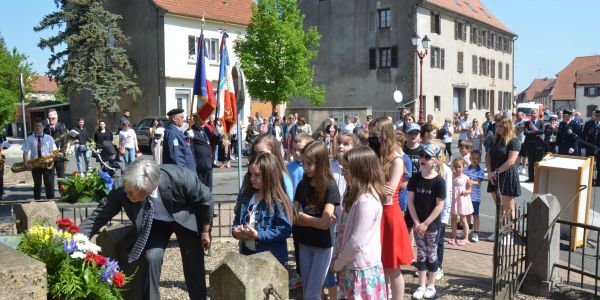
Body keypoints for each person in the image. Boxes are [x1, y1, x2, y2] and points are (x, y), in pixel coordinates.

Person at [79, 159, 213, 300]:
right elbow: (99, 216)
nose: (127, 194)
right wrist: (76, 238)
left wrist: (205, 230)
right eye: (126, 190)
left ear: (147, 189)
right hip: (157, 222)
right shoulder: (123, 187)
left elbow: (206, 199)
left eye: (131, 192)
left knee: (193, 261)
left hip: (184, 218)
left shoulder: (181, 178)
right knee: (151, 258)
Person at [332, 146, 387, 299]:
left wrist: (339, 262)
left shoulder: (366, 203)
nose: (343, 174)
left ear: (360, 171)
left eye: (346, 170)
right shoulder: (356, 196)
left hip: (359, 269)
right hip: (351, 265)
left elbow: (357, 242)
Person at [369, 117, 413, 299]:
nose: (371, 138)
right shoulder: (375, 155)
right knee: (378, 263)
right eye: (370, 134)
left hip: (389, 214)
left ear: (384, 135)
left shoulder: (397, 159)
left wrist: (371, 186)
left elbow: (389, 191)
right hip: (375, 212)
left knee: (392, 266)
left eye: (374, 135)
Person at [293, 141, 340, 300]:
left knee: (312, 293)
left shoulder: (330, 187)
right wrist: (315, 221)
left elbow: (325, 223)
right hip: (304, 243)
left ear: (321, 163)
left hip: (322, 246)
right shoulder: (302, 185)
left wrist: (302, 217)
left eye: (309, 164)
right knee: (308, 290)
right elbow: (293, 216)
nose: (305, 168)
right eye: (303, 163)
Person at [232, 152, 293, 264]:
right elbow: (237, 220)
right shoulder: (247, 196)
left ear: (269, 175)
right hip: (247, 254)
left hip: (271, 259)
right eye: (250, 174)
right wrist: (236, 231)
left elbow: (284, 229)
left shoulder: (278, 201)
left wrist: (258, 235)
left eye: (257, 175)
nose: (252, 178)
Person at [407, 143, 446, 299]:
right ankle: (421, 285)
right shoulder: (415, 178)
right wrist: (417, 222)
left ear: (435, 161)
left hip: (432, 225)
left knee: (432, 254)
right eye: (422, 155)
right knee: (421, 253)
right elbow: (410, 202)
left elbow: (439, 205)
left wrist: (425, 223)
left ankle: (431, 285)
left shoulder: (439, 181)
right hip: (418, 224)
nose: (423, 158)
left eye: (427, 157)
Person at [326, 132, 359, 298]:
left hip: (349, 217)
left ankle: (348, 287)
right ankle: (337, 287)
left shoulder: (356, 169)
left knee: (348, 251)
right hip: (333, 217)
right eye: (339, 143)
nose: (341, 147)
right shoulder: (330, 167)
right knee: (334, 252)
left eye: (346, 144)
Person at [485, 116, 521, 243]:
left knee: (509, 208)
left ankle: (510, 234)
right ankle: (500, 231)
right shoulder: (495, 140)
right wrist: (490, 172)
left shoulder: (514, 141)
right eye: (497, 126)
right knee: (499, 207)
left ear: (507, 126)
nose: (498, 128)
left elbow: (511, 161)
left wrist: (495, 172)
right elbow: (488, 157)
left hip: (507, 176)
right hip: (494, 176)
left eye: (501, 126)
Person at [250, 134, 294, 200]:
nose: (258, 156)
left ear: (274, 153)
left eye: (263, 153)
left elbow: (287, 206)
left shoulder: (283, 178)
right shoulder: (250, 176)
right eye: (255, 153)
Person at [23, 118, 57, 200]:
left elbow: (54, 152)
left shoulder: (49, 138)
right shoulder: (29, 138)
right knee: (37, 185)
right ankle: (37, 202)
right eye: (36, 126)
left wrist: (49, 158)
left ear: (43, 127)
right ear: (34, 127)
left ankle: (51, 201)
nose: (38, 128)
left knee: (49, 184)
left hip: (47, 164)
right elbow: (25, 152)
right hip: (35, 164)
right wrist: (26, 163)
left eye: (40, 126)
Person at [448, 159, 473, 246]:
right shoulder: (451, 176)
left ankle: (466, 238)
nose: (458, 169)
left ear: (463, 167)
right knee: (453, 218)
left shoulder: (466, 178)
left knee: (463, 219)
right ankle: (453, 237)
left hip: (462, 200)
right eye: (456, 167)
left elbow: (470, 190)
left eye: (460, 167)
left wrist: (466, 192)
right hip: (453, 200)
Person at [464, 150, 485, 242]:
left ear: (480, 160)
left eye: (477, 159)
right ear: (470, 159)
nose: (474, 160)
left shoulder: (480, 170)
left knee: (475, 215)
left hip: (475, 197)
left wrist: (471, 182)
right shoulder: (465, 169)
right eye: (473, 158)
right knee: (467, 214)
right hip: (466, 196)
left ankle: (475, 232)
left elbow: (478, 181)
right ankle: (466, 230)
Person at [44, 109, 68, 183]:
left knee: (61, 177)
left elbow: (65, 141)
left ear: (57, 118)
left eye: (53, 118)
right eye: (49, 118)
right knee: (49, 177)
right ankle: (50, 193)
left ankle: (63, 192)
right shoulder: (45, 129)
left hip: (59, 156)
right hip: (49, 156)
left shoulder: (62, 127)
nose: (51, 120)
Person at [191, 115, 214, 189]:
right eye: (200, 119)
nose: (202, 121)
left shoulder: (205, 130)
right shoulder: (191, 131)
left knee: (209, 185)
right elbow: (191, 150)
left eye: (203, 119)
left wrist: (216, 130)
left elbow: (214, 140)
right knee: (201, 186)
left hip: (208, 162)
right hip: (200, 164)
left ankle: (209, 199)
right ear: (195, 119)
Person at [523, 110, 545, 183]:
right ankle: (531, 178)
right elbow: (525, 133)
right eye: (531, 113)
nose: (532, 114)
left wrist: (532, 132)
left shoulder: (541, 122)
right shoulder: (527, 123)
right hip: (530, 145)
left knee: (538, 162)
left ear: (537, 114)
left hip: (539, 145)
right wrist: (536, 132)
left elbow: (542, 131)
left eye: (534, 113)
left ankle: (539, 178)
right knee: (530, 162)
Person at [395, 131, 412, 213]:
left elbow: (403, 185)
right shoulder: (392, 158)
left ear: (398, 144)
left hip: (400, 200)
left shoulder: (406, 160)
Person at [582, 109, 600, 185]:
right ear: (594, 116)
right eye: (596, 116)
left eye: (599, 116)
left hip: (599, 149)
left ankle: (598, 182)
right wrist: (583, 147)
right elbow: (583, 136)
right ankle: (590, 182)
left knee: (599, 166)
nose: (598, 117)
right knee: (590, 166)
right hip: (590, 148)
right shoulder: (588, 124)